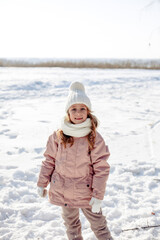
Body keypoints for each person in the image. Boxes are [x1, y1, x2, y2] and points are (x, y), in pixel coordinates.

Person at [37, 82, 113, 240]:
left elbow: (101, 168)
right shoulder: (58, 136)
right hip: (63, 191)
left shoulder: (94, 138)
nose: (78, 113)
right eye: (74, 109)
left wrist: (98, 195)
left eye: (82, 109)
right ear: (68, 112)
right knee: (71, 225)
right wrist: (42, 182)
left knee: (99, 224)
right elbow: (49, 160)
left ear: (88, 111)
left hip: (86, 193)